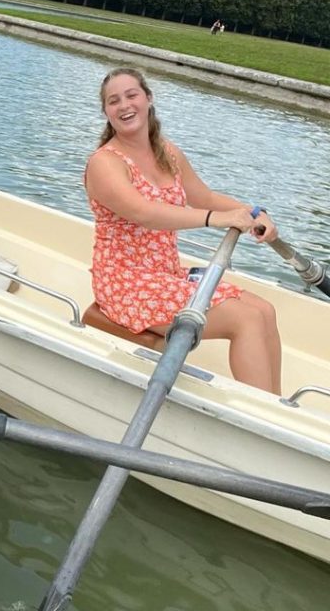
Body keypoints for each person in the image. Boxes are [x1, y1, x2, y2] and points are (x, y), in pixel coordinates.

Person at [84, 67, 282, 394]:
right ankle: (263, 422)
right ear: (106, 112)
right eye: (112, 101)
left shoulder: (167, 152)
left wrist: (256, 213)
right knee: (245, 320)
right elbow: (144, 213)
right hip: (126, 282)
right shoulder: (105, 162)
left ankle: (276, 409)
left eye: (131, 95)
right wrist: (214, 219)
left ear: (148, 99)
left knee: (264, 310)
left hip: (165, 274)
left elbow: (204, 197)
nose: (123, 105)